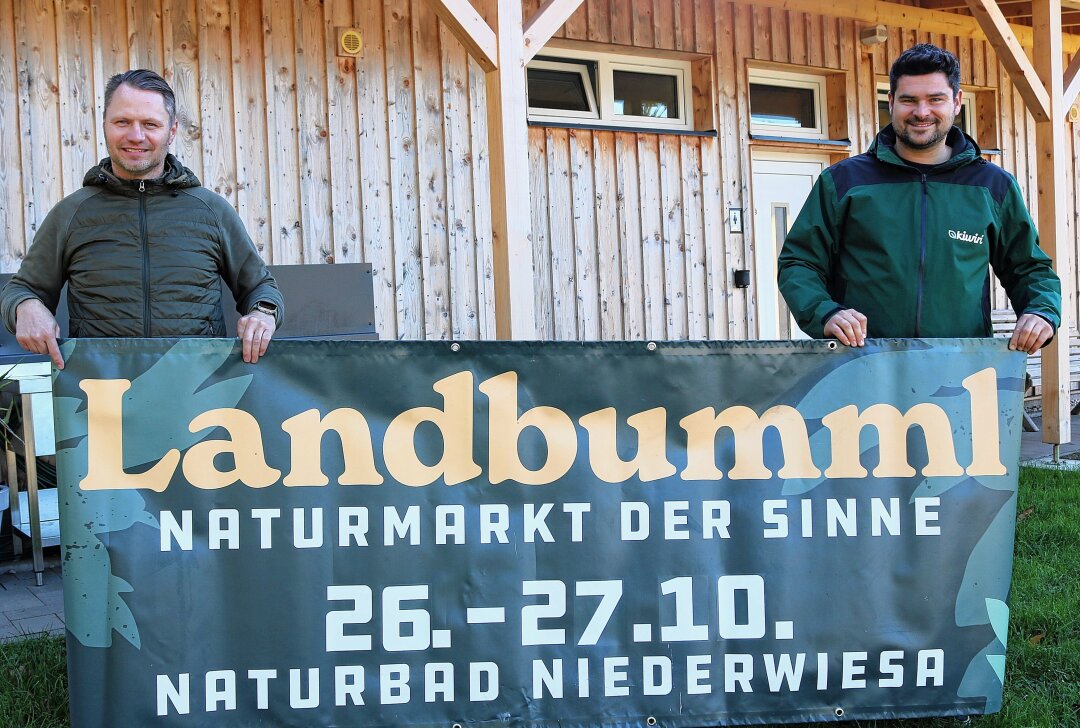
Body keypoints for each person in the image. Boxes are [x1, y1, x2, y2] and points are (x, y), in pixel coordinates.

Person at [777, 44, 1060, 354]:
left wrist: (1041, 311)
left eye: (935, 99)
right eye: (909, 100)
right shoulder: (844, 182)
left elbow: (1029, 269)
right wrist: (826, 312)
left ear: (956, 102)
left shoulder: (992, 187)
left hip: (958, 370)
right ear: (891, 102)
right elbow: (799, 262)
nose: (921, 112)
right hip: (858, 366)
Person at [0, 69, 283, 368]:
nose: (136, 136)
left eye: (150, 124)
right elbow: (22, 289)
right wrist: (26, 306)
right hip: (102, 393)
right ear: (105, 125)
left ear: (172, 131)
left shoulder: (211, 211)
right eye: (123, 122)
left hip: (198, 391)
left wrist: (263, 313)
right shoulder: (71, 214)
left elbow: (260, 288)